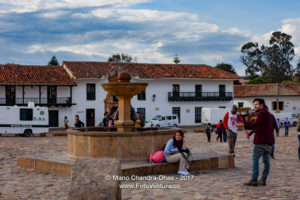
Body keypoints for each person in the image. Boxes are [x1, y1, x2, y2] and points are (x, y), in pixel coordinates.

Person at [237, 98, 275, 186]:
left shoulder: (261, 113)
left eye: (256, 104)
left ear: (262, 104)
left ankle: (254, 179)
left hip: (260, 141)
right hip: (269, 141)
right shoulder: (270, 114)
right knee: (266, 161)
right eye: (254, 105)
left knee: (255, 159)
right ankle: (263, 179)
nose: (255, 106)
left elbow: (256, 125)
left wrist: (244, 124)